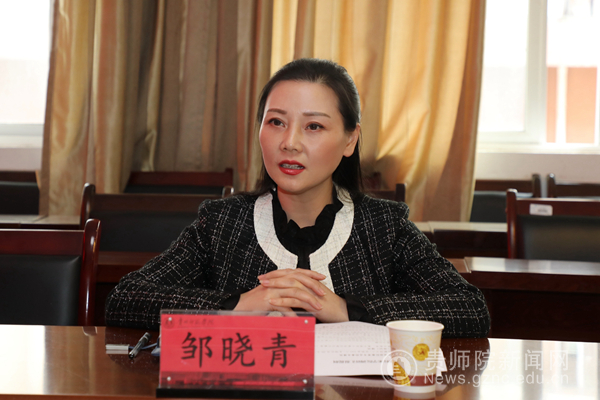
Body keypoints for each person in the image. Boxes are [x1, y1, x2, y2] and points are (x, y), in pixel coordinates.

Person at [105, 58, 490, 338]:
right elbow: (126, 298)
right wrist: (239, 305)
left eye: (314, 126)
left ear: (350, 139)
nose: (290, 143)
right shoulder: (223, 223)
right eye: (276, 122)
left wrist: (344, 308)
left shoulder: (384, 227)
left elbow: (469, 308)